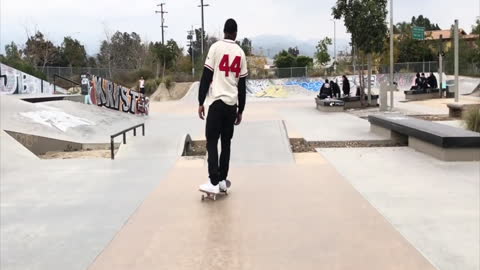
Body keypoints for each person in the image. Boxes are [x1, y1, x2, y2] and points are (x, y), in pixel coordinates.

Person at [198, 18, 248, 194]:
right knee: (226, 143)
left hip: (217, 103)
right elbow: (242, 86)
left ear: (224, 32)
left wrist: (200, 102)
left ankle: (213, 181)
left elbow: (206, 76)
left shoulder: (215, 48)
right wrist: (240, 110)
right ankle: (221, 181)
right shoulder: (241, 53)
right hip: (231, 105)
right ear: (235, 33)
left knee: (212, 141)